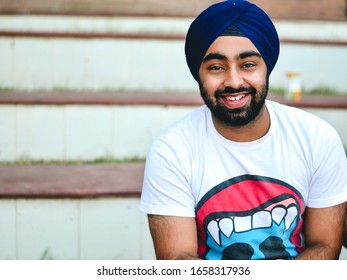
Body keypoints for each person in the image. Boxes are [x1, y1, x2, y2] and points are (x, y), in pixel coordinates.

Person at [139, 0, 347, 260]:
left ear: (266, 67)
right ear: (199, 73)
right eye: (216, 67)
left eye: (248, 64)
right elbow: (177, 261)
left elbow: (325, 246)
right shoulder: (172, 151)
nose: (234, 81)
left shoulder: (317, 139)